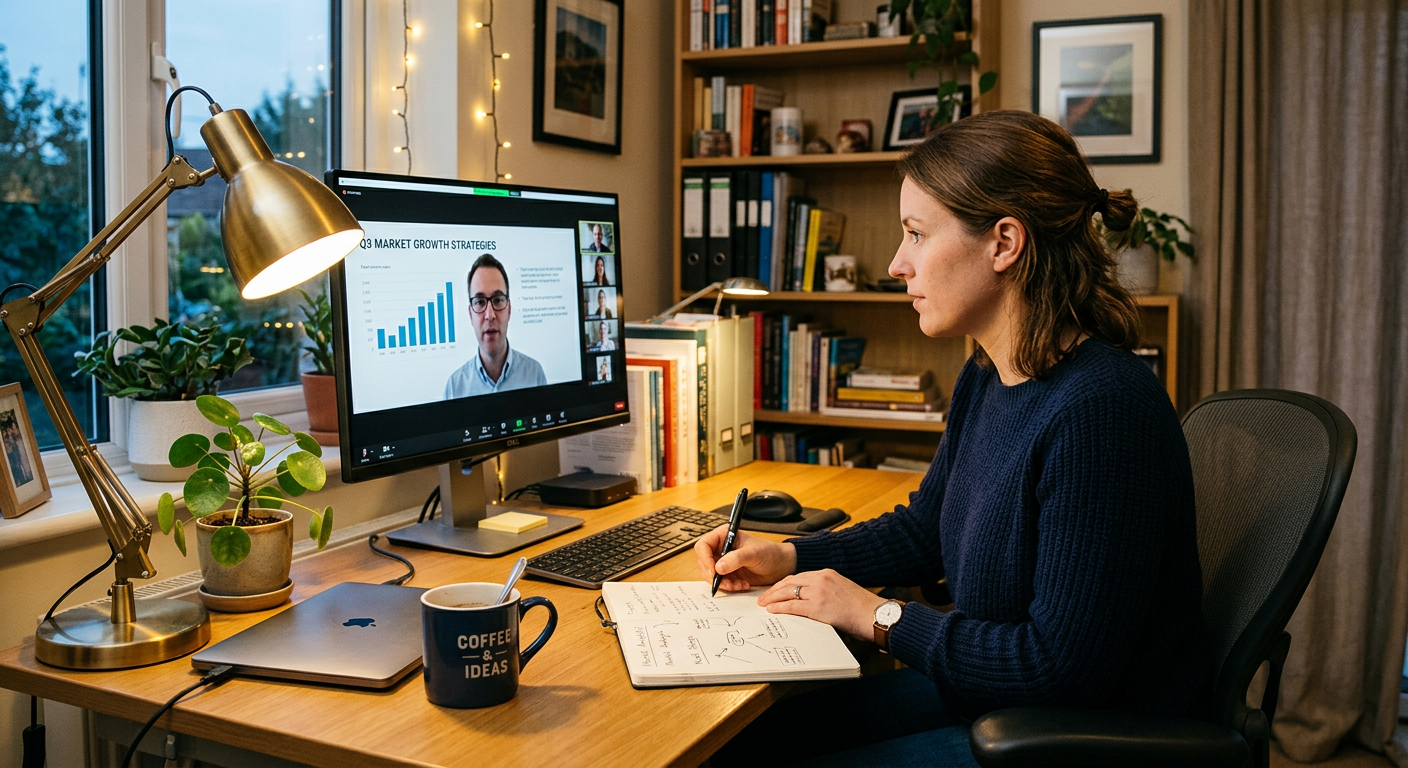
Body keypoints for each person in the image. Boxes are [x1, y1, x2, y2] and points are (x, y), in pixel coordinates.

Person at [697, 110, 1211, 767]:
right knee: (750, 743)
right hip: (997, 699)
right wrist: (792, 557)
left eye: (915, 234)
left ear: (1004, 243)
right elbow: (926, 529)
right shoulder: (988, 375)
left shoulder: (1101, 413)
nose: (896, 263)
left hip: (1075, 732)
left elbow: (1059, 668)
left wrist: (874, 615)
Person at [444, 254, 547, 398]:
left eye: (498, 300)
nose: (490, 315)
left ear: (509, 309)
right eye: (480, 302)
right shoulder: (455, 388)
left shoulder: (534, 374)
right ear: (470, 315)